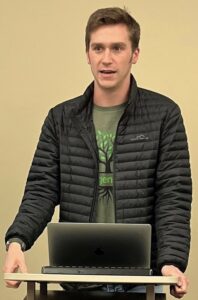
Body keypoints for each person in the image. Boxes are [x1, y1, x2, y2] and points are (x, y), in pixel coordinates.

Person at [3, 7, 192, 299]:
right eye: (98, 48)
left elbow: (173, 195)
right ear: (87, 54)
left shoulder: (164, 116)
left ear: (135, 54)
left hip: (143, 280)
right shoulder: (61, 119)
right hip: (78, 278)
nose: (106, 59)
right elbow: (41, 190)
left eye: (117, 48)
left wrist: (171, 263)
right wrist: (17, 242)